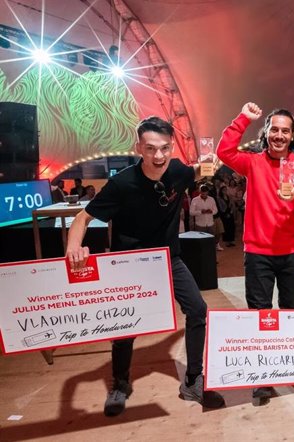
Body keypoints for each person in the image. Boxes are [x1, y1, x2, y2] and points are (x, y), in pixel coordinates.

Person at [65, 116, 225, 417]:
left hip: (168, 258)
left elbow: (201, 170)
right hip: (129, 263)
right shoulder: (122, 183)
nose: (159, 156)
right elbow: (82, 218)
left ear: (172, 146)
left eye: (165, 148)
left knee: (198, 310)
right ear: (138, 146)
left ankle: (193, 380)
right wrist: (74, 246)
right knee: (124, 324)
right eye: (150, 148)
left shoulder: (178, 171)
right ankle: (121, 383)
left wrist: (211, 162)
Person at [216, 102, 294, 402]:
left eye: (285, 131)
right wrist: (243, 117)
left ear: (292, 135)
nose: (279, 135)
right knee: (260, 316)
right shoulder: (253, 163)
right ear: (266, 132)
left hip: (291, 252)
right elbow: (224, 151)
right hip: (259, 252)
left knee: (289, 312)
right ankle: (263, 375)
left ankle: (290, 367)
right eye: (274, 129)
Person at [189, 184, 222, 250]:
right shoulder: (195, 200)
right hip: (200, 225)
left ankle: (211, 258)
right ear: (200, 192)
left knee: (211, 242)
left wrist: (211, 211)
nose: (204, 195)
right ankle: (202, 259)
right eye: (202, 193)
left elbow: (216, 210)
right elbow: (191, 212)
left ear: (207, 192)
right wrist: (201, 212)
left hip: (210, 224)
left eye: (205, 193)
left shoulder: (211, 199)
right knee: (201, 243)